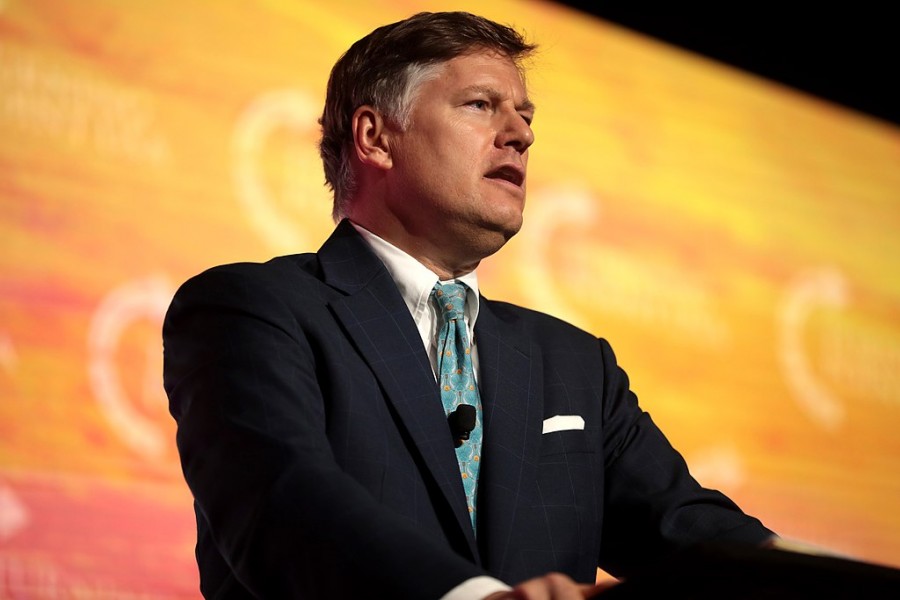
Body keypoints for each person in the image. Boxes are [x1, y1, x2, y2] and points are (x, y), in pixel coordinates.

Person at [163, 11, 774, 599]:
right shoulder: (251, 310)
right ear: (375, 138)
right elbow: (283, 503)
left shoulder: (574, 365)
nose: (522, 133)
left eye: (525, 115)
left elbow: (691, 535)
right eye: (482, 105)